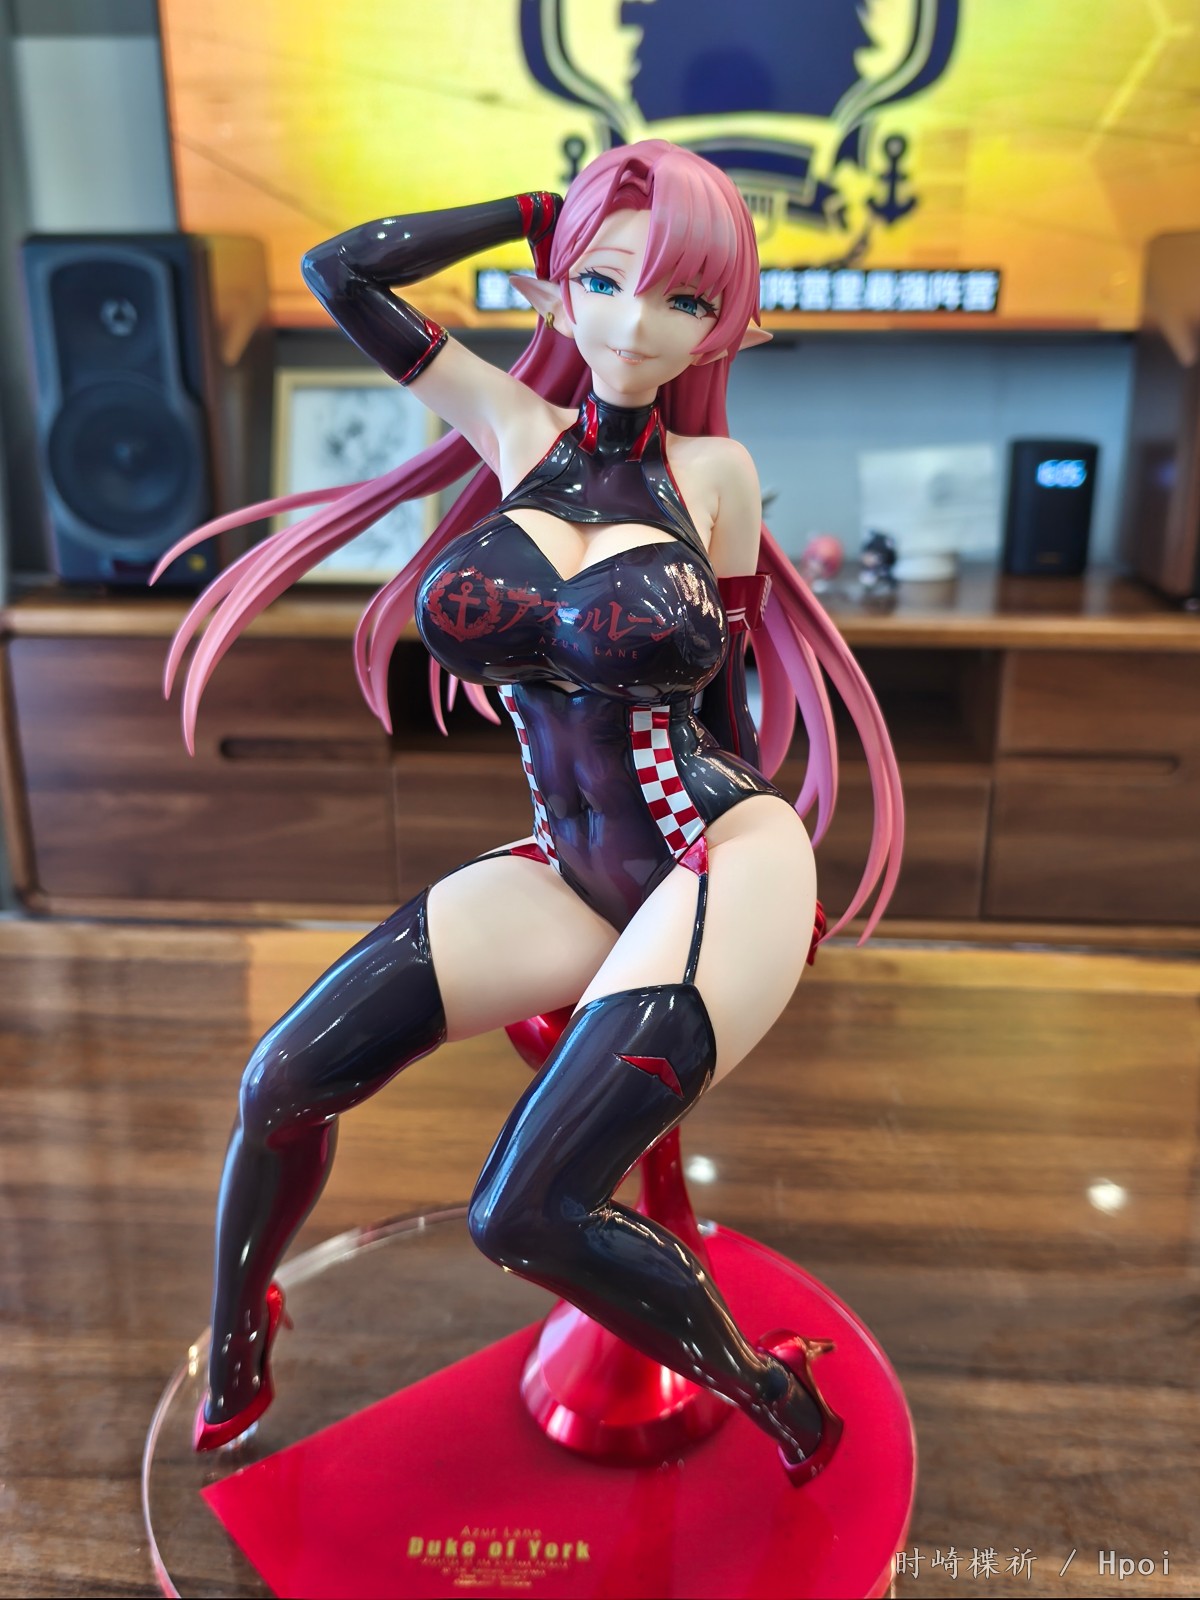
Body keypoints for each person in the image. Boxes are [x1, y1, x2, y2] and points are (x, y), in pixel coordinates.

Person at [159, 141, 903, 1483]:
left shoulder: (716, 475)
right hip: (567, 868)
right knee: (282, 1081)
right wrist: (530, 211)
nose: (635, 321)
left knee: (522, 1210)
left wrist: (770, 909)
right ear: (555, 289)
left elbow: (723, 700)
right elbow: (341, 271)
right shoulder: (514, 430)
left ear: (723, 326)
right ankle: (240, 1326)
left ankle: (765, 1388)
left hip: (718, 850)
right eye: (603, 281)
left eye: (682, 297)